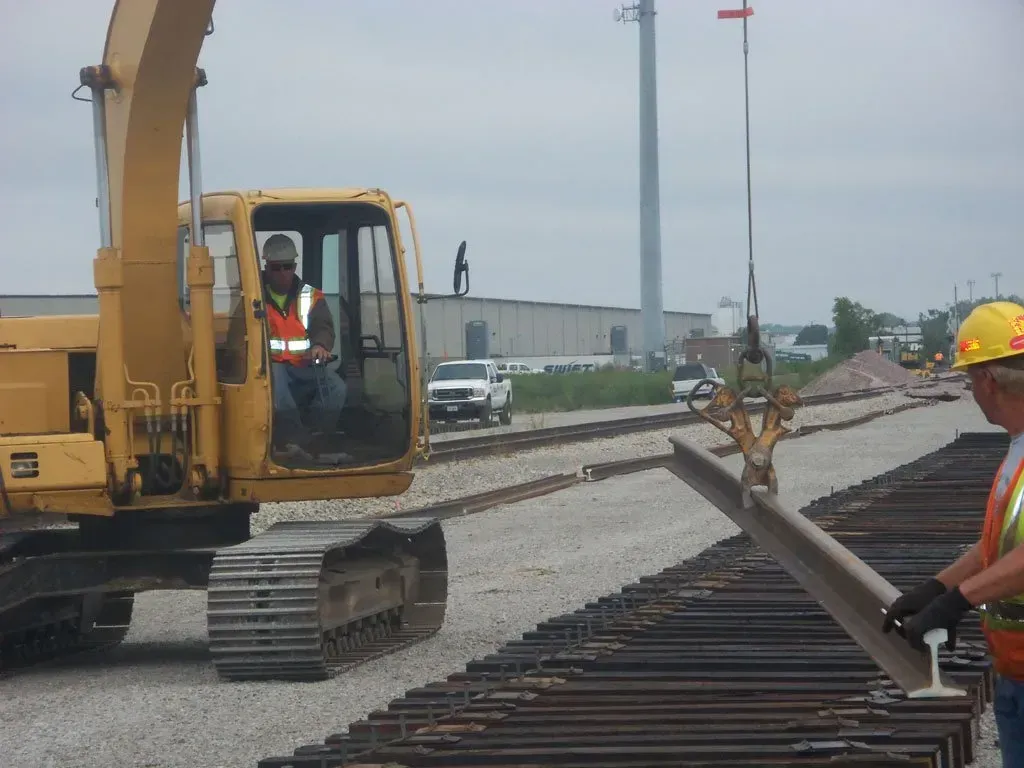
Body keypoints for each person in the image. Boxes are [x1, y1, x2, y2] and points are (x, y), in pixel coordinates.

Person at [882, 300, 1024, 767]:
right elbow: (1001, 548)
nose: (971, 391)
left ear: (988, 380)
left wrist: (956, 601)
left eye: (969, 380)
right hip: (1015, 670)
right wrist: (935, 588)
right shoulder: (1017, 451)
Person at [261, 233, 347, 460]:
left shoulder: (310, 296)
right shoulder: (253, 296)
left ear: (294, 266)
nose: (282, 273)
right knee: (279, 394)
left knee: (336, 387)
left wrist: (320, 345)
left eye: (287, 267)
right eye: (276, 267)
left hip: (304, 366)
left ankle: (314, 438)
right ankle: (293, 442)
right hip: (272, 367)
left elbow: (323, 326)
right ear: (267, 267)